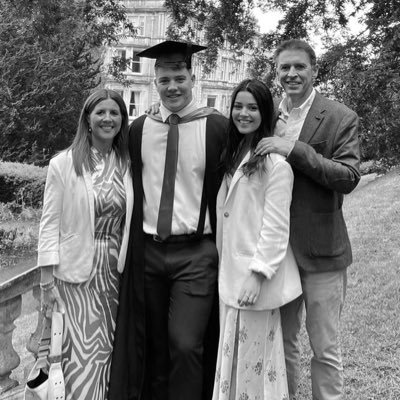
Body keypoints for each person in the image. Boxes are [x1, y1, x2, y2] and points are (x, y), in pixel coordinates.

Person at [109, 41, 228, 400]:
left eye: (179, 78)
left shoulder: (218, 128)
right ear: (155, 81)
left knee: (186, 342)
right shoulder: (139, 129)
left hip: (196, 253)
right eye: (164, 79)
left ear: (193, 78)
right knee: (154, 342)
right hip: (148, 253)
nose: (172, 86)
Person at [255, 39, 361, 400]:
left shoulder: (339, 117)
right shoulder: (266, 116)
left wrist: (294, 149)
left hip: (322, 252)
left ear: (315, 70)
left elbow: (348, 176)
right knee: (281, 344)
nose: (291, 74)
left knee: (324, 349)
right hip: (276, 254)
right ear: (276, 71)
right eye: (284, 67)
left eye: (299, 66)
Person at [37, 89, 133, 400]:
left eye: (114, 112)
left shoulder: (127, 163)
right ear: (88, 120)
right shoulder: (64, 163)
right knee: (76, 353)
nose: (108, 118)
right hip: (75, 274)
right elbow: (49, 223)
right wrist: (45, 278)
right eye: (100, 112)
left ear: (122, 119)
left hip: (114, 274)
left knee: (107, 350)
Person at [211, 78, 302, 400]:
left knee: (256, 364)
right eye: (238, 106)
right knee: (233, 357)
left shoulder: (275, 165)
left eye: (252, 107)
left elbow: (276, 228)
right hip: (229, 275)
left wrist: (258, 272)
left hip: (254, 280)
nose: (243, 113)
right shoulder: (234, 154)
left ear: (265, 112)